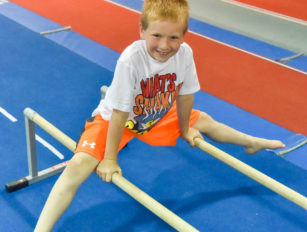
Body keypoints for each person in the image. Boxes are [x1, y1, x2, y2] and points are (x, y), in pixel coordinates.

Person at [34, 0, 285, 231]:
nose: (164, 46)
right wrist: (109, 159)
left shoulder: (185, 54)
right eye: (156, 35)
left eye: (173, 38)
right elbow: (120, 113)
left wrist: (185, 128)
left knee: (205, 120)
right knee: (78, 165)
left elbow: (186, 95)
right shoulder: (132, 59)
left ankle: (251, 143)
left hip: (156, 112)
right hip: (117, 120)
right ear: (141, 31)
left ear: (184, 36)